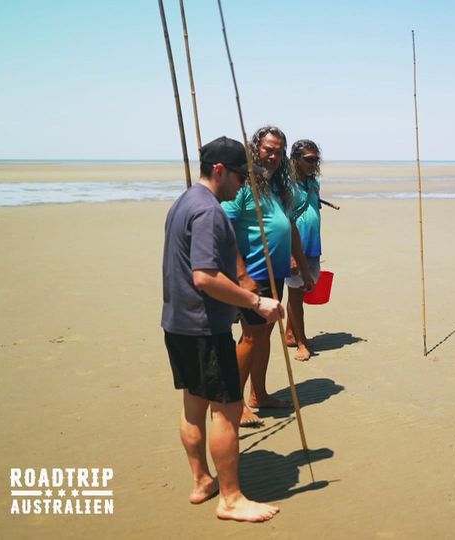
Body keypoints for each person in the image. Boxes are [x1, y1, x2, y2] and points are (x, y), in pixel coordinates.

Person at [161, 136, 282, 522]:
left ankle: (201, 481)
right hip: (203, 328)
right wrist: (255, 301)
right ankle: (230, 499)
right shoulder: (209, 211)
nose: (244, 184)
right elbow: (205, 277)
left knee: (193, 406)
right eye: (240, 175)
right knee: (227, 411)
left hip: (177, 324)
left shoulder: (183, 201)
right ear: (219, 171)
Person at [221, 126, 314, 427]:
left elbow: (292, 230)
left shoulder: (279, 187)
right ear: (255, 150)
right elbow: (226, 227)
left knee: (265, 334)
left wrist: (300, 263)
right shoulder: (245, 185)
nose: (274, 156)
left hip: (277, 274)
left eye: (279, 151)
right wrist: (240, 275)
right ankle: (233, 404)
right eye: (268, 150)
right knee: (250, 336)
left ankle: (258, 395)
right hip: (254, 275)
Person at [284, 140, 324, 362]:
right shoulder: (287, 185)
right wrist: (290, 254)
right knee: (295, 295)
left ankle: (291, 333)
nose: (312, 163)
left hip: (312, 245)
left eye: (315, 159)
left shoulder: (313, 183)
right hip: (294, 246)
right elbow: (285, 219)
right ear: (295, 159)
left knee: (302, 291)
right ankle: (301, 343)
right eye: (308, 159)